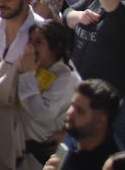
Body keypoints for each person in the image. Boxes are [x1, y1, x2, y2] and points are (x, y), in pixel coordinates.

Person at [15, 19, 81, 170]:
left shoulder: (66, 78)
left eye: (39, 42)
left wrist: (27, 75)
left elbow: (42, 114)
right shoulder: (32, 64)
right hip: (17, 150)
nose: (32, 46)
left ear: (56, 47)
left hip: (40, 157)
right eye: (30, 40)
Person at [51, 80, 122, 169]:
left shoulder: (110, 165)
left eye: (80, 111)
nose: (70, 112)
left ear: (100, 121)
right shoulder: (74, 137)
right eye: (72, 105)